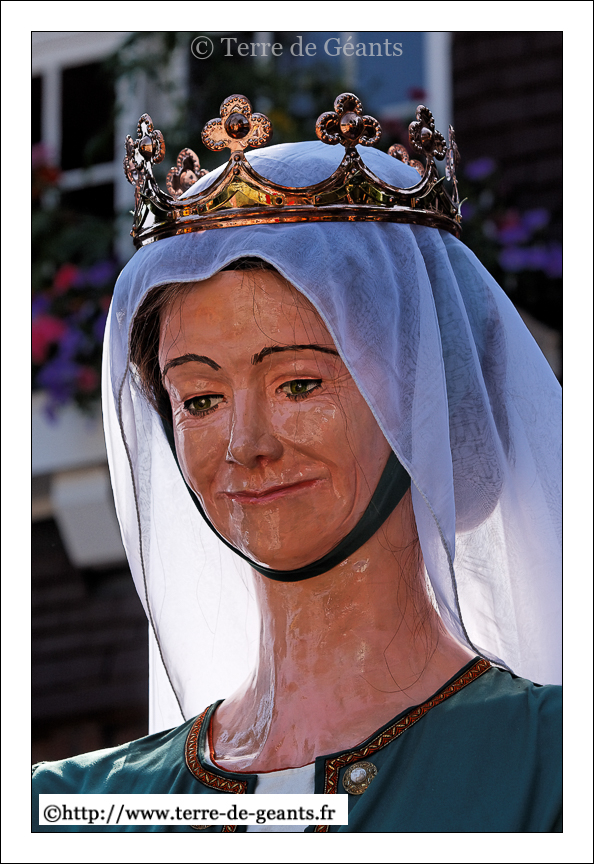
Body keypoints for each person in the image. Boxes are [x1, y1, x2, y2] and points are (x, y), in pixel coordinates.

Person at [33, 94, 561, 832]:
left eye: (300, 384)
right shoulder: (72, 811)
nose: (246, 444)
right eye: (200, 399)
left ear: (424, 396)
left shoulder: (554, 764)